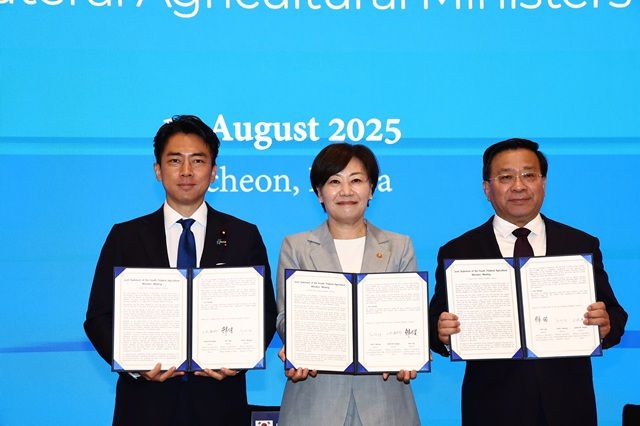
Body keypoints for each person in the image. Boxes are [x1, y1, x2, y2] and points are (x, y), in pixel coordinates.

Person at [84, 115, 277, 426]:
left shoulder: (244, 235)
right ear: (158, 170)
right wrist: (134, 365)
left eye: (198, 161)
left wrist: (239, 360)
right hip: (144, 405)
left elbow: (266, 313)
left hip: (220, 404)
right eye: (175, 160)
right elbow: (98, 317)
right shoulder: (125, 237)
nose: (186, 171)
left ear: (213, 172)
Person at [429, 138, 628, 426]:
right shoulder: (459, 251)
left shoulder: (579, 244)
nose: (519, 186)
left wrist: (606, 324)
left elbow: (615, 316)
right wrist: (442, 333)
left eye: (528, 175)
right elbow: (435, 323)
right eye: (506, 177)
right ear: (487, 189)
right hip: (491, 408)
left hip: (569, 406)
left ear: (543, 183)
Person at [275, 143, 421, 426]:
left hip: (385, 403)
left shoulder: (400, 246)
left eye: (356, 180)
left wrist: (411, 348)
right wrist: (296, 344)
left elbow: (410, 318)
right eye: (334, 182)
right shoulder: (296, 246)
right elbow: (284, 317)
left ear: (371, 189)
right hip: (315, 401)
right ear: (319, 193)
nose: (346, 191)